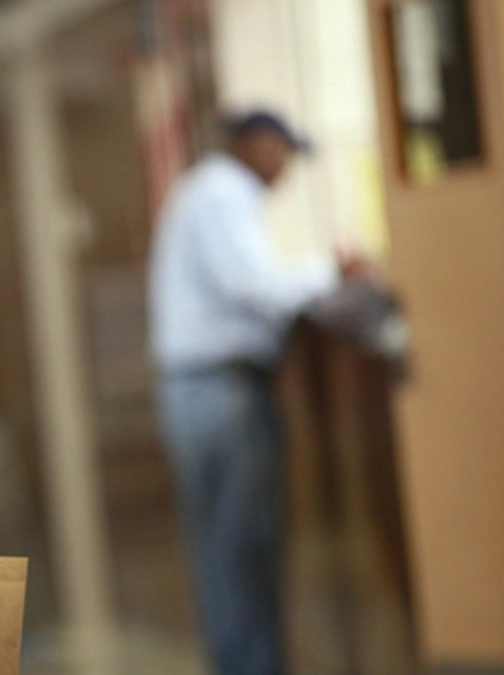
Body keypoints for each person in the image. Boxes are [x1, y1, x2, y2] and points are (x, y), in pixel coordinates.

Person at [148, 110, 366, 674]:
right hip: (222, 394)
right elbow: (256, 286)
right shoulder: (223, 192)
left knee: (224, 556)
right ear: (247, 144)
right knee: (241, 556)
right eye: (278, 150)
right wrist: (334, 273)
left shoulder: (205, 192)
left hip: (204, 394)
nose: (285, 166)